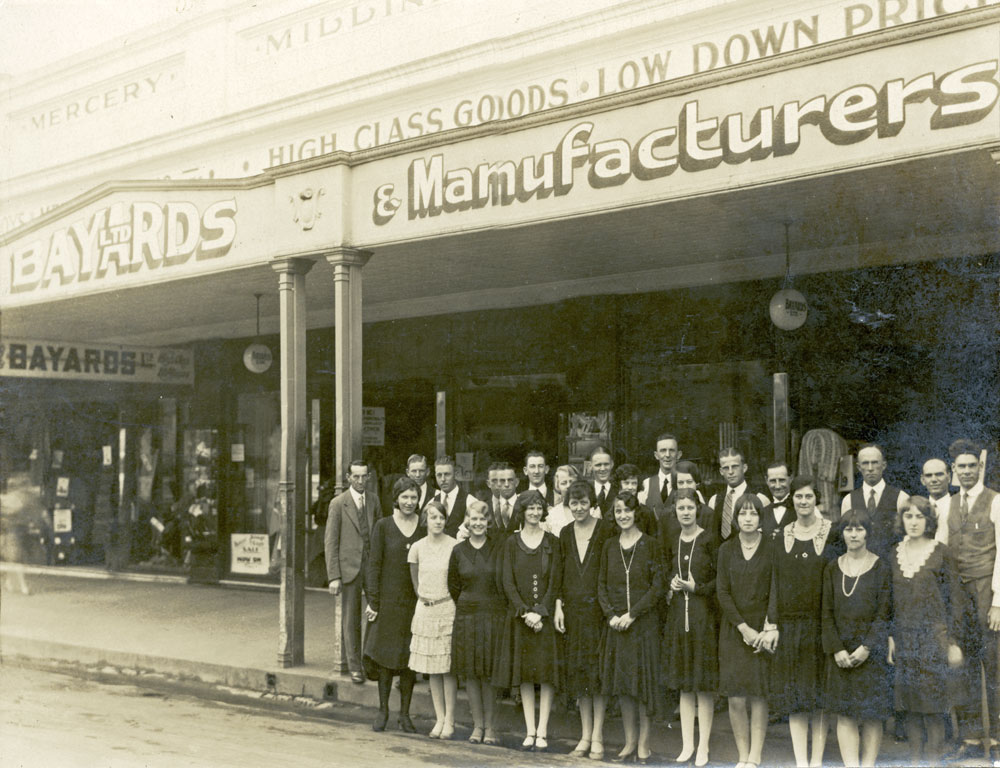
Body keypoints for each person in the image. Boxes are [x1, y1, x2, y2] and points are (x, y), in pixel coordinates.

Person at [890, 496, 964, 764]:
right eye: (908, 516)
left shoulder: (941, 553)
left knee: (932, 706)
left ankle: (932, 761)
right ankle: (914, 760)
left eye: (919, 516)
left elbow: (954, 600)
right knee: (909, 705)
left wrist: (952, 642)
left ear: (928, 520)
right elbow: (888, 601)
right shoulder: (894, 553)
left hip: (934, 637)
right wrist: (890, 637)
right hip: (904, 638)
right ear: (902, 520)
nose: (913, 522)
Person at [771, 475, 837, 768]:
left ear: (816, 499)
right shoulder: (782, 534)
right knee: (796, 699)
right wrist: (772, 622)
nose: (803, 501)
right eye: (798, 497)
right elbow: (774, 581)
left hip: (820, 627)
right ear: (792, 500)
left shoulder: (831, 532)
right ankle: (801, 762)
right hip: (790, 627)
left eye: (808, 496)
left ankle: (817, 760)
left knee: (819, 701)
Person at [821, 510, 892, 768]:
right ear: (842, 533)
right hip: (841, 654)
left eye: (859, 529)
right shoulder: (832, 568)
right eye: (848, 529)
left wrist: (867, 648)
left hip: (869, 653)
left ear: (867, 532)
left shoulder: (881, 567)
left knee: (872, 716)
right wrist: (837, 649)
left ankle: (869, 764)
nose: (853, 534)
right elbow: (826, 613)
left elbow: (884, 613)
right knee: (846, 715)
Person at [493, 489, 561, 752]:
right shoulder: (511, 543)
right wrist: (524, 611)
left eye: (538, 508)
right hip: (521, 619)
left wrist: (541, 611)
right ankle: (529, 730)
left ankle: (543, 730)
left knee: (545, 675)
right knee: (523, 675)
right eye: (529, 508)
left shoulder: (553, 542)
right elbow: (506, 580)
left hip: (542, 620)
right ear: (521, 512)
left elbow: (556, 580)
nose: (534, 512)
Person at [943, 439, 999, 759]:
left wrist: (998, 602)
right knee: (961, 664)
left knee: (993, 665)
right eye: (960, 466)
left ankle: (998, 739)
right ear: (954, 470)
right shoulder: (947, 505)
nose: (966, 471)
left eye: (971, 466)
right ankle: (971, 738)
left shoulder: (995, 501)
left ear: (980, 467)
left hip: (985, 592)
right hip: (957, 595)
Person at [599, 491, 663, 764]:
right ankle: (629, 741)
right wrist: (612, 615)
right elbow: (601, 584)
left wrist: (633, 614)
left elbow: (657, 586)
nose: (622, 515)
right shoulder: (609, 546)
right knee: (625, 687)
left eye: (627, 510)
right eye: (618, 511)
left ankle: (644, 745)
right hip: (617, 627)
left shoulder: (651, 545)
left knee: (644, 687)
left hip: (642, 625)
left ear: (636, 512)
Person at [716, 493, 779, 768]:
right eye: (743, 513)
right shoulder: (726, 549)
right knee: (736, 697)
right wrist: (742, 628)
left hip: (763, 630)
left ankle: (756, 755)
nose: (748, 518)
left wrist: (768, 626)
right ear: (736, 517)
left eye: (753, 513)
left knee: (758, 695)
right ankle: (742, 755)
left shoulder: (773, 547)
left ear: (760, 517)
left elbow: (777, 588)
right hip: (735, 629)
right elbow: (722, 591)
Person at [554, 480, 614, 760]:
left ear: (592, 503)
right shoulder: (565, 534)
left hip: (598, 613)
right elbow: (559, 572)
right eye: (573, 503)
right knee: (580, 676)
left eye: (583, 502)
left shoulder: (606, 530)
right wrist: (558, 606)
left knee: (596, 676)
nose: (579, 508)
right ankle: (585, 735)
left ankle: (598, 736)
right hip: (574, 613)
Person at [363, 477, 425, 732]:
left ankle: (405, 715)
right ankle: (383, 711)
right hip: (388, 603)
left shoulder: (424, 526)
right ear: (396, 498)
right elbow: (373, 566)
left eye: (413, 497)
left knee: (409, 661)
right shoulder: (383, 526)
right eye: (405, 497)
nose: (409, 502)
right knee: (386, 660)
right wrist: (373, 602)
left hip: (415, 602)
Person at [662, 487, 718, 767]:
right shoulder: (673, 540)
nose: (685, 512)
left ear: (698, 509)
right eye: (681, 508)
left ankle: (704, 747)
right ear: (675, 511)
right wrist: (672, 585)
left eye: (690, 507)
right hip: (678, 618)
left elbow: (720, 582)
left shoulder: (709, 539)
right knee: (685, 686)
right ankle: (687, 745)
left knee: (702, 685)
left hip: (702, 618)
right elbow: (667, 573)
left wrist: (699, 588)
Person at [447, 499, 504, 745]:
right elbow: (453, 585)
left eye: (482, 519)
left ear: (487, 522)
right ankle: (477, 726)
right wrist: (468, 603)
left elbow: (502, 581)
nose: (478, 523)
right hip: (467, 615)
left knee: (489, 673)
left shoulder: (498, 548)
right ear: (467, 522)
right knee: (471, 673)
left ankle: (490, 727)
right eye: (474, 519)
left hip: (492, 616)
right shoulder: (458, 551)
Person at [325, 459, 382, 684]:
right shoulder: (338, 503)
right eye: (355, 476)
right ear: (348, 477)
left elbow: (378, 534)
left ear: (369, 477)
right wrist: (334, 576)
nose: (360, 481)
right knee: (351, 619)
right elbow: (331, 541)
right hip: (349, 568)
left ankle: (370, 661)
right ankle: (354, 666)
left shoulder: (374, 500)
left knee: (376, 612)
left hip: (372, 566)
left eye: (364, 476)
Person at [407, 500, 458, 739]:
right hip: (426, 612)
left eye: (441, 517)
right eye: (433, 517)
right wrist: (425, 600)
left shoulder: (454, 546)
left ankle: (450, 720)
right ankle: (439, 718)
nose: (437, 521)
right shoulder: (417, 547)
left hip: (447, 609)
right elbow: (416, 582)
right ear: (425, 519)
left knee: (447, 668)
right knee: (433, 670)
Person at [840, 444, 909, 559]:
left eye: (875, 462)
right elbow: (846, 539)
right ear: (859, 467)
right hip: (860, 566)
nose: (870, 468)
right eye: (865, 463)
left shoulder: (901, 497)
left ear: (883, 465)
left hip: (890, 565)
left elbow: (908, 537)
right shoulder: (849, 500)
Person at [708, 448, 768, 545]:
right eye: (726, 468)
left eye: (735, 466)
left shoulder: (760, 498)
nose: (730, 472)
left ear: (744, 468)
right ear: (721, 471)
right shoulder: (714, 500)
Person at [639, 432, 683, 518]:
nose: (667, 455)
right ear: (656, 455)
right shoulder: (646, 484)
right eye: (663, 450)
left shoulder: (685, 483)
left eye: (672, 450)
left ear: (678, 455)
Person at [433, 455, 477, 538]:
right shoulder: (432, 502)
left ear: (455, 474)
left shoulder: (470, 501)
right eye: (439, 475)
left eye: (447, 474)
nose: (443, 479)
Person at [613, 464, 657, 535]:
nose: (630, 487)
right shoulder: (611, 511)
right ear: (619, 485)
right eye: (626, 483)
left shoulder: (647, 513)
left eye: (634, 483)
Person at [541, 464, 581, 537]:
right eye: (564, 483)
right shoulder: (552, 515)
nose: (568, 486)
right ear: (558, 486)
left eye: (571, 482)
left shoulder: (591, 510)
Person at [920, 457, 952, 543]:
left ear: (949, 477)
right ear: (923, 480)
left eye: (939, 474)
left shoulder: (958, 507)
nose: (934, 480)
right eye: (928, 475)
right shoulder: (918, 509)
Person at [484, 462, 520, 540]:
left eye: (510, 480)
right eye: (502, 481)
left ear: (517, 482)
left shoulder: (525, 504)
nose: (506, 484)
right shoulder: (484, 507)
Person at [761, 461, 794, 540]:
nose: (778, 486)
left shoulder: (803, 508)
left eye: (782, 480)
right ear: (766, 481)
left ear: (791, 479)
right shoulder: (762, 512)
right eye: (773, 481)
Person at [589, 447, 618, 518]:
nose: (602, 469)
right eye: (598, 465)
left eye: (606, 464)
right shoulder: (585, 489)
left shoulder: (619, 489)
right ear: (591, 466)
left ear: (612, 464)